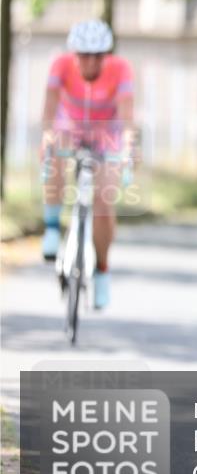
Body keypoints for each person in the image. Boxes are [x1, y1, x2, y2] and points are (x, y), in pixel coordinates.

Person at [40, 19, 135, 309]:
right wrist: (46, 142)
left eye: (98, 55)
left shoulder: (121, 69)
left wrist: (128, 153)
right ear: (74, 54)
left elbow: (127, 118)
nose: (91, 62)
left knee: (105, 200)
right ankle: (52, 226)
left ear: (107, 55)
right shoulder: (60, 65)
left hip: (107, 134)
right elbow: (49, 111)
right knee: (53, 152)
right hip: (70, 127)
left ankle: (102, 270)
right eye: (84, 55)